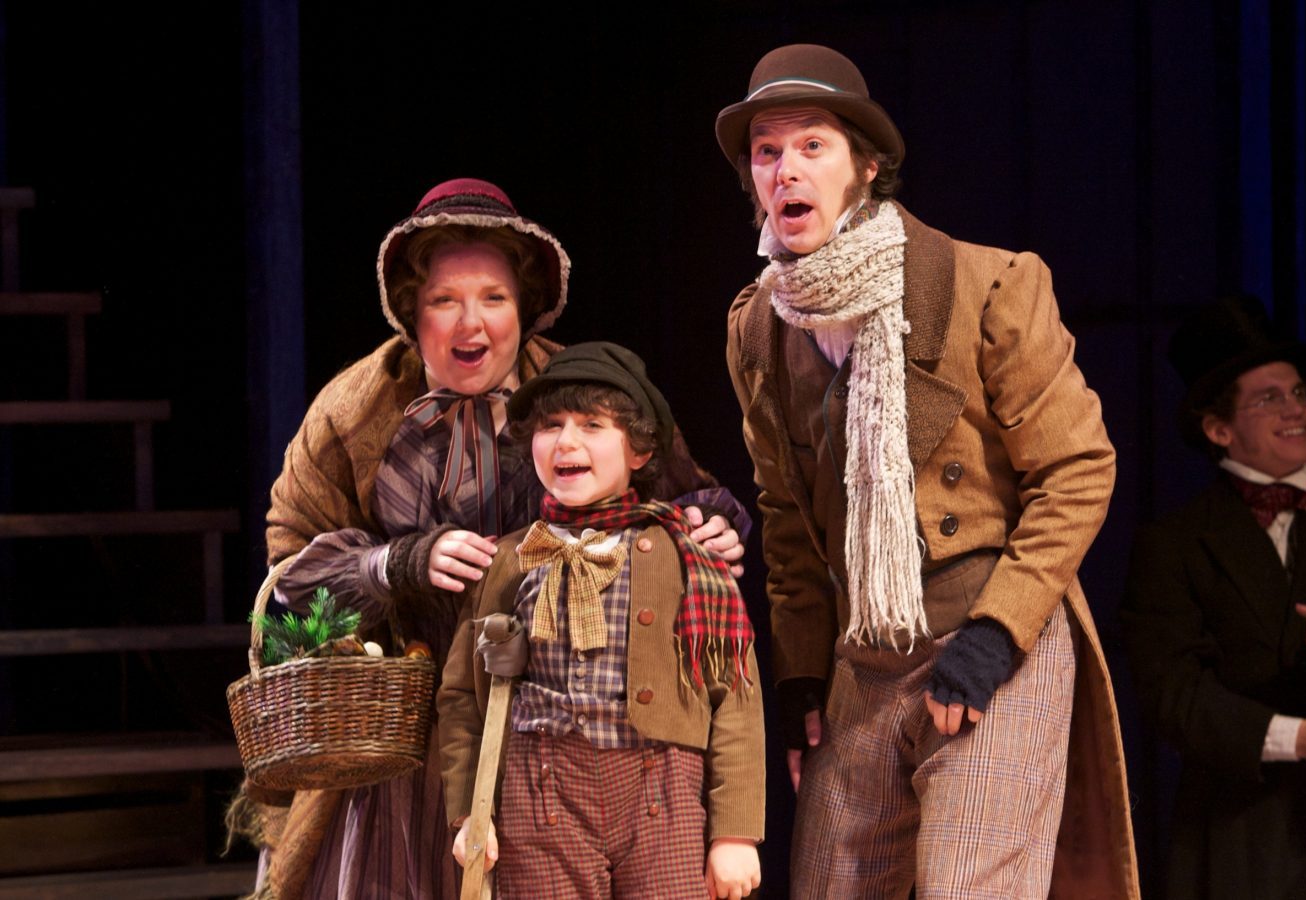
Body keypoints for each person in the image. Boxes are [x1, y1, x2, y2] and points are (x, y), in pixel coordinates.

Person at [717, 44, 1138, 897]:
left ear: (867, 167)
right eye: (767, 151)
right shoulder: (759, 327)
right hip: (865, 651)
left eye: (812, 146)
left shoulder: (987, 284)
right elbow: (789, 520)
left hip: (991, 632)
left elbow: (1077, 470)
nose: (784, 169)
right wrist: (801, 673)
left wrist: (994, 637)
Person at [259, 179, 747, 899]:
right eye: (443, 300)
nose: (471, 324)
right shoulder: (354, 410)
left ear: (524, 306)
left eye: (493, 297)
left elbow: (671, 488)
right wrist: (398, 563)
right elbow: (289, 578)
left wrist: (710, 521)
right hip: (406, 737)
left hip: (560, 734)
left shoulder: (578, 390)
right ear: (410, 311)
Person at [438, 342, 764, 900]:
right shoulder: (511, 560)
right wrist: (472, 810)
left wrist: (735, 832)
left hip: (661, 795)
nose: (566, 441)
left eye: (592, 425)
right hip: (540, 798)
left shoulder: (686, 558)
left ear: (639, 449)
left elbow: (734, 695)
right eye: (551, 425)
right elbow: (463, 697)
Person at [1122, 295, 1306, 899]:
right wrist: (1297, 738)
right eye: (1268, 398)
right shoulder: (1173, 543)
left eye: (1299, 393)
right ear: (1219, 429)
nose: (1294, 409)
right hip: (1246, 839)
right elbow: (1171, 694)